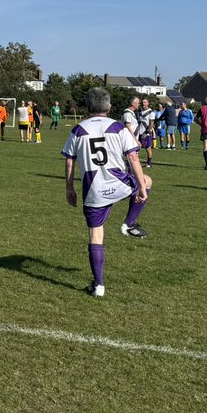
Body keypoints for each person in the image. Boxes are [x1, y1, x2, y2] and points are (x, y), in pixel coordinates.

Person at [63, 87, 152, 298]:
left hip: (93, 189)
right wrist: (141, 186)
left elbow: (69, 161)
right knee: (148, 181)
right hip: (118, 183)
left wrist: (69, 188)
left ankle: (99, 285)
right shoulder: (117, 127)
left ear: (87, 106)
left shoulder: (78, 130)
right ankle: (128, 224)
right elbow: (133, 157)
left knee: (96, 235)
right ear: (109, 107)